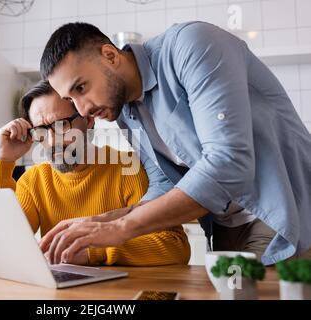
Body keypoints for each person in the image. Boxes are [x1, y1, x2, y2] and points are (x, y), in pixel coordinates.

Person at [38, 21, 311, 265]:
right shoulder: (125, 112)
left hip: (282, 211)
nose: (82, 109)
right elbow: (164, 185)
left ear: (110, 55)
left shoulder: (192, 43)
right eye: (71, 99)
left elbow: (229, 163)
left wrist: (121, 228)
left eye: (81, 88)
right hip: (225, 228)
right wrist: (101, 221)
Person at [0, 80, 190, 266]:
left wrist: (94, 251)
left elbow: (175, 246)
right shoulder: (33, 181)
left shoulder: (127, 169)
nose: (52, 141)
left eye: (61, 125)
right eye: (40, 130)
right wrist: (4, 162)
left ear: (88, 120)